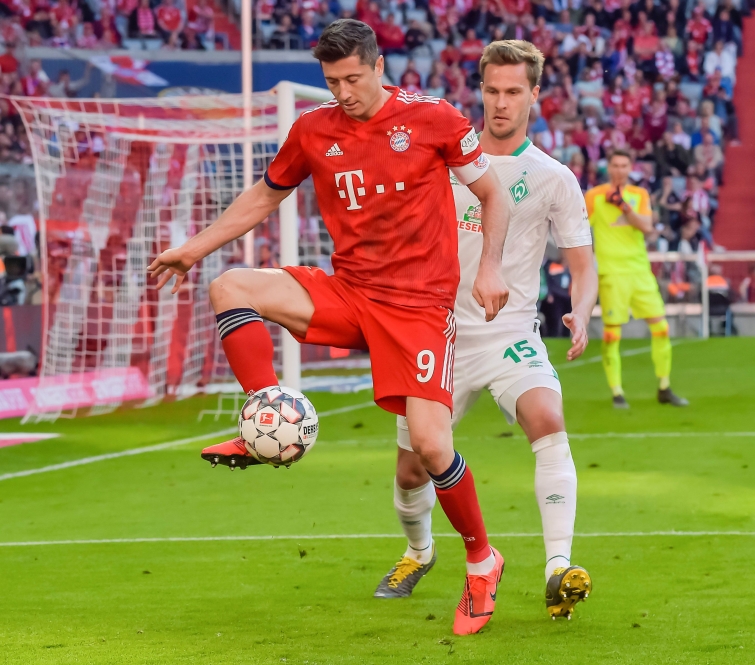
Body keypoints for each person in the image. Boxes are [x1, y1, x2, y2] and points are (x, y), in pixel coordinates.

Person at [146, 20, 511, 636]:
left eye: (352, 78)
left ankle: (482, 561)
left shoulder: (435, 118)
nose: (343, 92)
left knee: (430, 447)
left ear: (377, 66)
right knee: (229, 286)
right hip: (349, 293)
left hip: (418, 309)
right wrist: (193, 248)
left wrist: (491, 268)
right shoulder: (313, 129)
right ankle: (264, 417)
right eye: (332, 81)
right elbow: (263, 197)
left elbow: (493, 194)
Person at [383, 40, 599, 621]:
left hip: (510, 333)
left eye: (513, 92)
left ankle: (558, 569)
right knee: (411, 468)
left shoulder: (553, 177)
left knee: (548, 419)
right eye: (492, 91)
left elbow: (583, 265)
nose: (501, 103)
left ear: (535, 95)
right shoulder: (442, 161)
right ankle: (419, 551)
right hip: (437, 336)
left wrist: (582, 310)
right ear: (480, 91)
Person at [585, 150, 688, 409]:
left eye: (624, 165)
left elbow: (646, 226)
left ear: (631, 168)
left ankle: (664, 386)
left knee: (661, 327)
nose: (620, 170)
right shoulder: (594, 196)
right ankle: (617, 392)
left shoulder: (639, 195)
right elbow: (578, 226)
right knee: (612, 334)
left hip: (640, 270)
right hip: (612, 272)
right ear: (608, 168)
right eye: (615, 165)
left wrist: (623, 206)